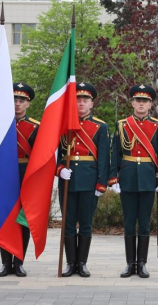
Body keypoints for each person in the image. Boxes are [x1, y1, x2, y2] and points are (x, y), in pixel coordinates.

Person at [109, 84, 158, 278]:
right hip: (127, 177)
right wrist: (113, 178)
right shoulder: (122, 125)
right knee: (128, 222)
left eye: (145, 101)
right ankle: (129, 264)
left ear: (150, 104)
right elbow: (116, 154)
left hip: (148, 179)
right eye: (138, 101)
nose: (141, 104)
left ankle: (141, 263)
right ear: (132, 103)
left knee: (143, 222)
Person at [56, 82, 109, 278]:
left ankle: (82, 263)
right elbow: (54, 154)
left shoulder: (100, 127)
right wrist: (59, 169)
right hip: (67, 180)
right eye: (78, 100)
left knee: (86, 223)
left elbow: (104, 157)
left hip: (89, 180)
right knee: (68, 223)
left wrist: (101, 183)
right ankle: (70, 263)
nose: (81, 103)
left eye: (85, 100)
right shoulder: (62, 125)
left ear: (91, 104)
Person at [0, 83, 40, 277]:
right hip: (4, 174)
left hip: (25, 174)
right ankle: (6, 263)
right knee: (4, 220)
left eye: (21, 100)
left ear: (28, 104)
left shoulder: (36, 127)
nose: (17, 103)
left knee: (23, 220)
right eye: (14, 100)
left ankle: (19, 261)